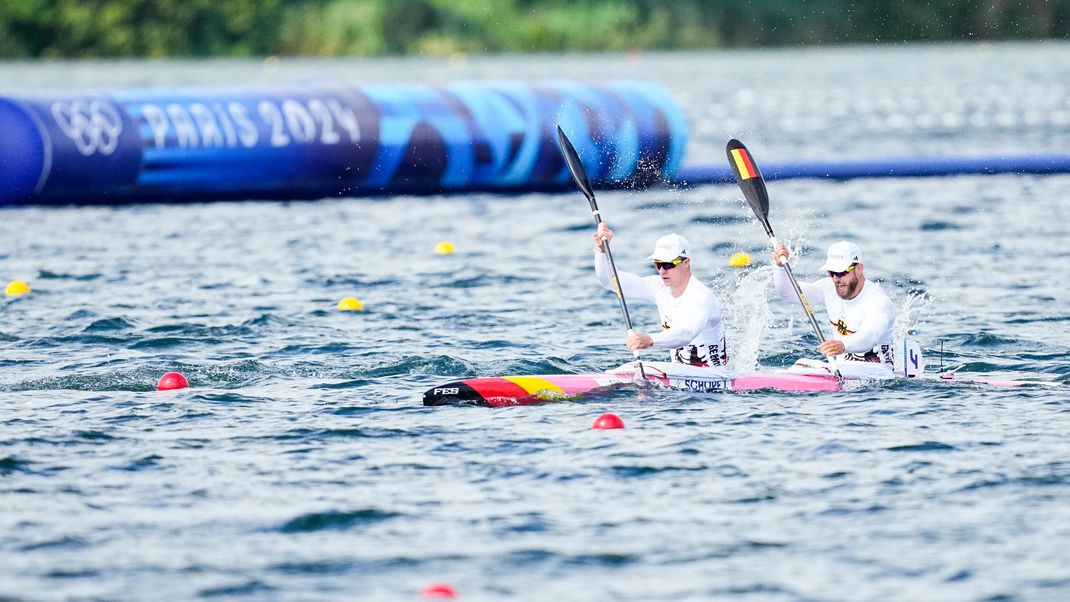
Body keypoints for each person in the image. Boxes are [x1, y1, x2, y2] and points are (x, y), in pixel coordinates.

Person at [593, 223, 728, 366]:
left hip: (714, 379)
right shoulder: (658, 287)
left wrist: (651, 339)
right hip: (681, 377)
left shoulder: (701, 297)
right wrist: (601, 250)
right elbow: (611, 281)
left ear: (687, 262)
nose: (662, 270)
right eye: (658, 264)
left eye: (668, 264)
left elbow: (686, 333)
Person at [771, 240, 896, 373]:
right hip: (841, 370)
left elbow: (871, 335)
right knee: (800, 365)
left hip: (877, 372)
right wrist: (779, 267)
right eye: (831, 272)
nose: (836, 279)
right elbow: (788, 293)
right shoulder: (828, 289)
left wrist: (843, 345)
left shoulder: (878, 300)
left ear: (859, 268)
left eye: (841, 272)